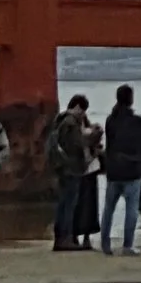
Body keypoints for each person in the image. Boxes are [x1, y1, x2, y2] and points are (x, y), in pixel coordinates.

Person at [100, 86, 141, 253]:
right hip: (132, 170)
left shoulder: (110, 120)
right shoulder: (137, 122)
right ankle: (127, 245)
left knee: (108, 209)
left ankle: (105, 243)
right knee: (131, 209)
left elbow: (110, 143)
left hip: (114, 170)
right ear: (131, 99)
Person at [47, 96, 99, 251]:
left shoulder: (61, 120)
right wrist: (93, 135)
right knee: (68, 204)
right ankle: (65, 238)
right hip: (71, 168)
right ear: (77, 107)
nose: (83, 114)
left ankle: (62, 237)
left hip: (63, 167)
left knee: (64, 203)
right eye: (82, 110)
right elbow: (76, 144)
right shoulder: (70, 122)